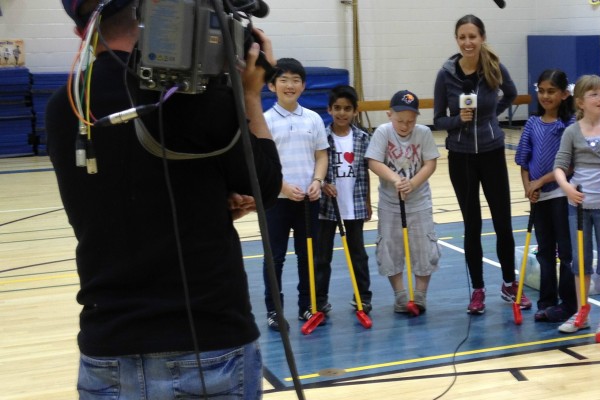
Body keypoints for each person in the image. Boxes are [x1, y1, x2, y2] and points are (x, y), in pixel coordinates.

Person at [48, 0, 282, 398]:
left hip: (107, 349)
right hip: (208, 344)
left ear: (81, 33)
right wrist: (251, 97)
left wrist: (210, 196)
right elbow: (264, 183)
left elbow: (107, 203)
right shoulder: (194, 96)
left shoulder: (65, 106)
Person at [434, 14, 529, 314]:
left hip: (491, 152)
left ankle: (509, 284)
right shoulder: (445, 74)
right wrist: (456, 121)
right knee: (472, 225)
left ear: (482, 37)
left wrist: (491, 116)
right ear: (456, 40)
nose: (467, 42)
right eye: (462, 37)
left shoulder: (494, 68)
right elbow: (437, 119)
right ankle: (477, 290)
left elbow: (512, 94)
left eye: (472, 36)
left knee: (502, 222)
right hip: (460, 156)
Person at [553, 75, 600, 334]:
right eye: (595, 94)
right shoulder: (571, 132)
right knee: (580, 262)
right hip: (579, 208)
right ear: (580, 101)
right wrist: (568, 188)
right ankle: (581, 311)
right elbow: (559, 166)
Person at [262, 57, 329, 329]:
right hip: (276, 201)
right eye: (283, 79)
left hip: (308, 201)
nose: (290, 85)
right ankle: (274, 311)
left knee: (308, 255)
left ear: (303, 85)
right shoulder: (264, 121)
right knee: (275, 257)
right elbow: (262, 163)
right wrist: (283, 187)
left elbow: (321, 156)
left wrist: (318, 181)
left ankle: (307, 306)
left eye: (296, 80)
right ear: (271, 85)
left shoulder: (313, 119)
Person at [365, 90, 440, 313]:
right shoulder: (382, 132)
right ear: (389, 115)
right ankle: (399, 295)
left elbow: (430, 163)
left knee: (424, 249)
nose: (405, 126)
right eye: (400, 121)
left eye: (410, 121)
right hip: (390, 203)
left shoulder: (424, 133)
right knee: (389, 249)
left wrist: (413, 183)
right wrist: (396, 179)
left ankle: (419, 296)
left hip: (419, 203)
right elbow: (373, 162)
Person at [514, 69, 577, 323]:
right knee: (545, 252)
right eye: (541, 91)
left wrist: (540, 181)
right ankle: (547, 301)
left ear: (564, 94)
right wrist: (528, 186)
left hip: (562, 195)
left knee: (566, 252)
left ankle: (568, 302)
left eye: (551, 91)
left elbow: (569, 164)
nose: (545, 96)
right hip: (539, 198)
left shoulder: (570, 125)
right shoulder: (532, 123)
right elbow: (523, 160)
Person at [314, 85, 373, 314]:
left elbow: (365, 172)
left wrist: (367, 202)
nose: (342, 113)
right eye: (337, 108)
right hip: (326, 208)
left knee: (358, 255)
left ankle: (363, 297)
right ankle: (319, 299)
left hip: (354, 207)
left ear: (355, 111)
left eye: (347, 108)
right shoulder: (322, 138)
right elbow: (315, 166)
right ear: (329, 109)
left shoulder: (362, 138)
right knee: (322, 256)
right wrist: (323, 184)